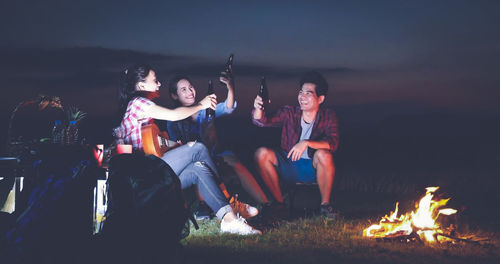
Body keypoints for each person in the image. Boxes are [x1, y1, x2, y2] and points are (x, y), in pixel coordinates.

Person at [116, 63, 261, 235]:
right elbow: (173, 115)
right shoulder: (138, 103)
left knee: (198, 168)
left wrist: (174, 145)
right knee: (197, 148)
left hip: (152, 173)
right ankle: (230, 202)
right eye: (155, 80)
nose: (159, 84)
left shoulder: (141, 110)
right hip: (145, 176)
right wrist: (201, 105)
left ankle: (228, 219)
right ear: (141, 86)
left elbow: (152, 146)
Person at [167, 71, 269, 219]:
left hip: (214, 153)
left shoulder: (205, 109)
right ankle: (205, 206)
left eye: (190, 87)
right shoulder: (174, 117)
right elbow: (175, 146)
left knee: (233, 161)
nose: (189, 91)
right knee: (199, 163)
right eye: (183, 89)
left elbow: (228, 107)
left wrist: (230, 86)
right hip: (193, 159)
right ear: (174, 95)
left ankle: (267, 204)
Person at [252, 71, 339, 219]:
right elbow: (262, 121)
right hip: (289, 164)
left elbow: (333, 143)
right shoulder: (290, 112)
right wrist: (259, 109)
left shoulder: (328, 116)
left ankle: (325, 206)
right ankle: (279, 205)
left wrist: (306, 143)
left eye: (308, 93)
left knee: (324, 154)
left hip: (312, 168)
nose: (302, 97)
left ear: (320, 99)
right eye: (301, 92)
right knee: (261, 153)